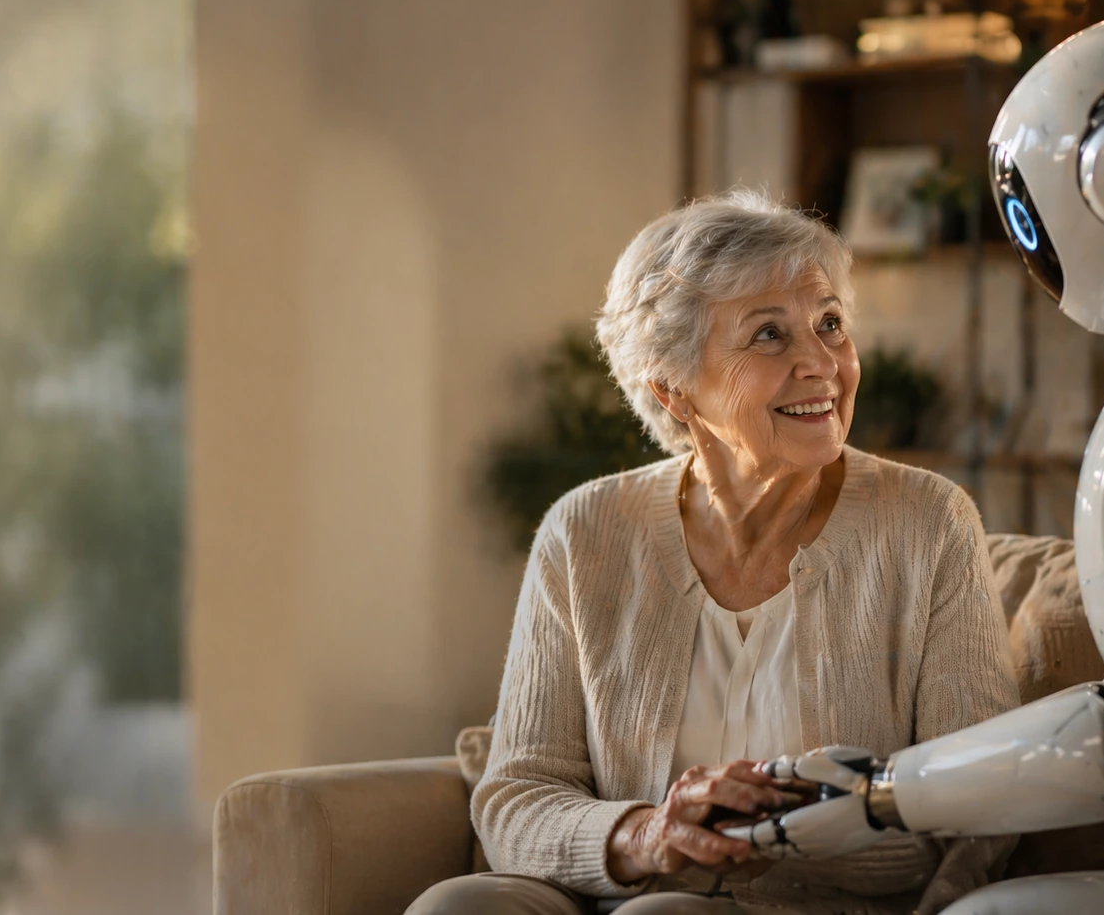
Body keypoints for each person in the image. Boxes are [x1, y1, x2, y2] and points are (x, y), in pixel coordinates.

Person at [408, 192, 1019, 915]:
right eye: (769, 335)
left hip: (826, 903)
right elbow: (518, 794)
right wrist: (646, 835)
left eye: (830, 324)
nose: (822, 363)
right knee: (459, 906)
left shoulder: (927, 523)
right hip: (620, 889)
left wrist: (779, 832)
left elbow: (978, 793)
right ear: (674, 391)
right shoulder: (587, 531)